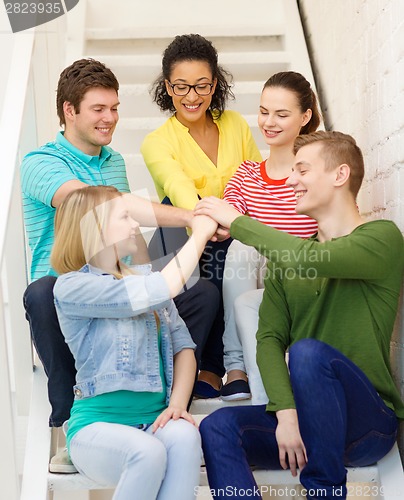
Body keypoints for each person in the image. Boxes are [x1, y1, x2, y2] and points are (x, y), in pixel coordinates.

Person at [21, 58, 220, 473]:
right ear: (68, 111)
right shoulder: (39, 162)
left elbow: (123, 233)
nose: (109, 118)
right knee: (41, 291)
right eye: (98, 109)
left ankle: (167, 400)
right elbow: (99, 210)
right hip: (71, 288)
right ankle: (65, 422)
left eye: (114, 108)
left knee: (199, 291)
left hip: (119, 283)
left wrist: (152, 281)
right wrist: (192, 218)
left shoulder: (113, 161)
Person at [196, 131, 404, 499]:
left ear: (340, 175)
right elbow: (269, 339)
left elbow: (311, 259)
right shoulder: (287, 262)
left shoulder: (382, 238)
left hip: (366, 425)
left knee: (308, 351)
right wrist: (286, 413)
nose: (291, 180)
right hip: (304, 424)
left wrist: (238, 222)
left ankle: (323, 492)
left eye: (302, 169)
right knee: (218, 426)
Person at [50, 185, 217, 499]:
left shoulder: (144, 279)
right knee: (148, 452)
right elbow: (164, 287)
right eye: (125, 216)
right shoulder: (72, 287)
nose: (134, 225)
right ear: (94, 227)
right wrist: (200, 234)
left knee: (184, 436)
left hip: (153, 420)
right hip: (96, 429)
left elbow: (183, 347)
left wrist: (178, 406)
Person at [141, 33, 262, 398]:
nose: (192, 96)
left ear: (215, 84)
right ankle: (212, 366)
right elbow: (180, 191)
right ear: (167, 86)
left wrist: (234, 222)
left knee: (238, 250)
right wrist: (215, 221)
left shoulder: (235, 124)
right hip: (187, 235)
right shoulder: (157, 142)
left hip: (234, 227)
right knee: (216, 257)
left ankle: (228, 365)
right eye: (181, 86)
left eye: (202, 85)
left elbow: (254, 177)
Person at [220, 71, 320, 402]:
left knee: (246, 241)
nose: (269, 122)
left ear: (305, 117)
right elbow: (226, 220)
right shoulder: (246, 175)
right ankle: (237, 367)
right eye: (264, 112)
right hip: (258, 286)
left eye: (281, 114)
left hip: (302, 284)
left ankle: (260, 382)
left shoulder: (317, 174)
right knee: (240, 247)